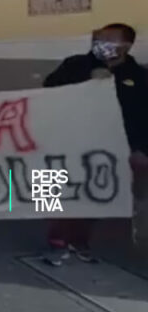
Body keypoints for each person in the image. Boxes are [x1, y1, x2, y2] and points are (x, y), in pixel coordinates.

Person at [41, 23, 148, 266]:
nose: (101, 42)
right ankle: (56, 241)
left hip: (112, 148)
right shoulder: (75, 65)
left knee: (96, 196)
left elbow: (143, 116)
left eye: (110, 38)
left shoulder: (139, 76)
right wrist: (85, 83)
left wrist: (141, 149)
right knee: (59, 191)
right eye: (99, 38)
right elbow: (47, 92)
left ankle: (80, 241)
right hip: (70, 140)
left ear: (127, 45)